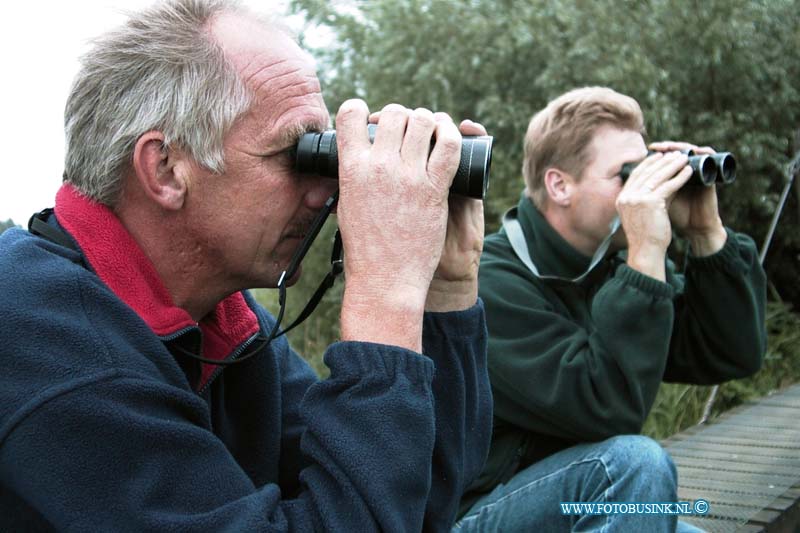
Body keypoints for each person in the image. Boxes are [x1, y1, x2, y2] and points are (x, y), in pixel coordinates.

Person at [0, 1, 493, 530]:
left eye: (323, 151)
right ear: (166, 169)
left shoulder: (222, 321)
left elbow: (416, 503)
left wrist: (446, 287)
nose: (329, 188)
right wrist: (384, 298)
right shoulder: (54, 346)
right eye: (294, 153)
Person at [455, 87, 766, 532]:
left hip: (575, 502)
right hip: (475, 516)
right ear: (559, 184)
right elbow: (606, 406)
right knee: (634, 464)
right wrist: (646, 253)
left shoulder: (606, 269)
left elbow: (730, 351)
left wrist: (705, 231)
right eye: (628, 175)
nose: (644, 192)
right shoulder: (488, 285)